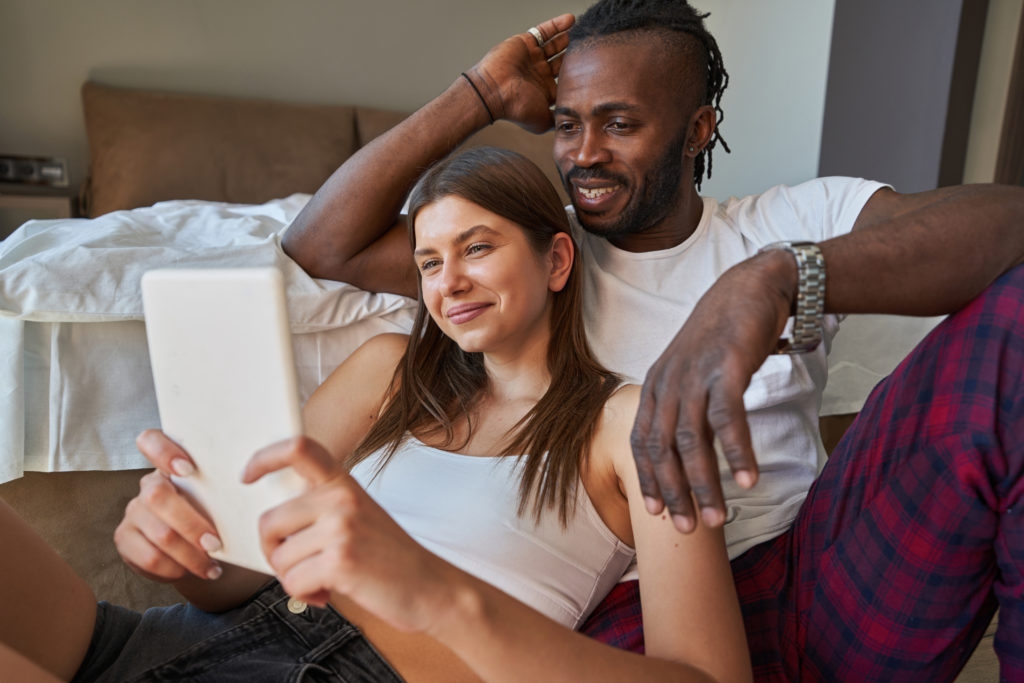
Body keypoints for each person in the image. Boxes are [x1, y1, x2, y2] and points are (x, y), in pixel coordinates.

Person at [279, 1, 1024, 679]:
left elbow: (1006, 225)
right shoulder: (537, 260)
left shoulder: (782, 224)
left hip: (819, 571)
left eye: (620, 123)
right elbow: (321, 245)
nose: (583, 154)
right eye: (567, 124)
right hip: (633, 611)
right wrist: (483, 92)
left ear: (697, 130)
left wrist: (771, 280)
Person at [0, 147, 752, 682]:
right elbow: (232, 576)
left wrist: (420, 581)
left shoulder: (628, 425)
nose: (448, 281)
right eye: (428, 262)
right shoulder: (391, 369)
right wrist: (186, 544)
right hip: (182, 639)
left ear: (557, 261)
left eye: (477, 247)